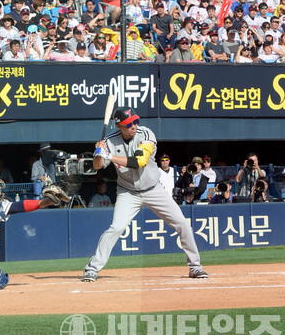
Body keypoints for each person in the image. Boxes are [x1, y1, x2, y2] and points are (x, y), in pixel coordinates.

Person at [81, 107, 208, 282]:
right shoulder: (109, 141)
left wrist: (108, 155)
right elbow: (97, 166)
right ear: (119, 126)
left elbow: (139, 161)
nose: (133, 125)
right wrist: (98, 153)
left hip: (153, 189)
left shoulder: (146, 134)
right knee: (116, 228)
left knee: (182, 224)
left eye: (135, 121)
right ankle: (92, 268)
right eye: (128, 124)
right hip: (128, 192)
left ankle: (195, 267)